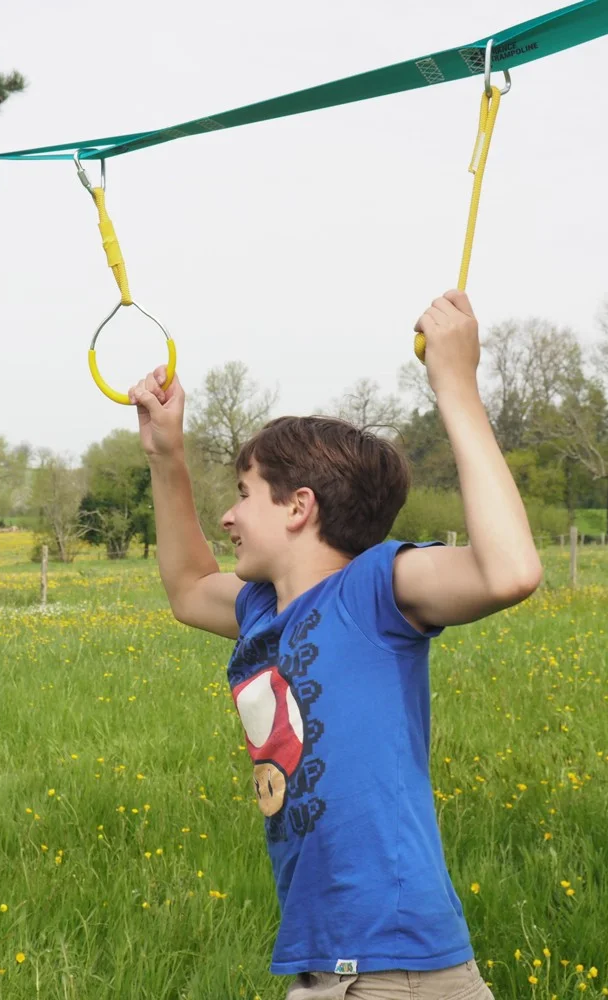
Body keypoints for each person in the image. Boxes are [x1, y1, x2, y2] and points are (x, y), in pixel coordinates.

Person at [128, 289, 542, 1000]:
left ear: (299, 507)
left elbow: (509, 572)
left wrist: (455, 384)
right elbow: (189, 587)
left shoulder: (374, 592)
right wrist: (167, 455)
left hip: (393, 969)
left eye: (243, 493)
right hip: (325, 965)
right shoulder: (266, 610)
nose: (225, 514)